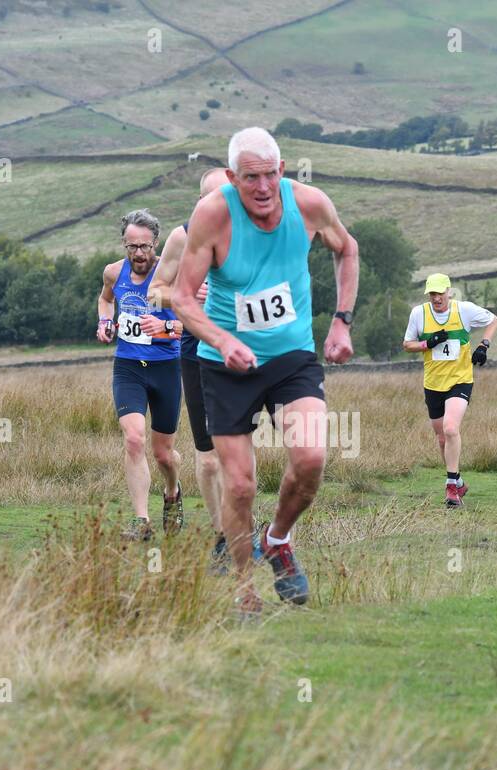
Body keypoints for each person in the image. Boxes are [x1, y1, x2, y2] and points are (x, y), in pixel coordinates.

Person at [170, 127, 358, 615]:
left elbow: (347, 249)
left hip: (291, 357)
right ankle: (242, 585)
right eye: (250, 177)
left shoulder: (310, 204)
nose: (262, 187)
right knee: (240, 485)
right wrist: (222, 339)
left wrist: (341, 321)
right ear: (233, 177)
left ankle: (277, 540)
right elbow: (182, 298)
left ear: (283, 170)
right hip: (225, 365)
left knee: (312, 457)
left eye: (271, 175)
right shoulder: (212, 215)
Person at [150, 167, 231, 566]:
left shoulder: (254, 234)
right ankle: (221, 536)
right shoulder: (183, 237)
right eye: (211, 200)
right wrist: (185, 298)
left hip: (244, 347)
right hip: (197, 349)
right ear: (200, 202)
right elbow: (155, 293)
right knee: (210, 453)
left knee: (242, 447)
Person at [97, 209, 184, 541]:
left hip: (166, 368)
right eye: (132, 246)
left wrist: (165, 327)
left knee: (164, 453)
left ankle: (173, 491)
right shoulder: (112, 273)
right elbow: (105, 301)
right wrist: (105, 322)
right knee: (134, 439)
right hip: (128, 366)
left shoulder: (171, 275)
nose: (138, 254)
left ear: (156, 243)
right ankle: (141, 520)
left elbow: (192, 321)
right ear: (124, 244)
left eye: (145, 246)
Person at [403, 273, 497, 508]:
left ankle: (450, 486)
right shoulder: (419, 314)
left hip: (460, 379)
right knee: (441, 438)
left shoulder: (463, 310)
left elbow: (493, 320)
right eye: (432, 294)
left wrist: (483, 345)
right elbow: (407, 345)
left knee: (450, 428)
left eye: (440, 293)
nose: (437, 298)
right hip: (433, 383)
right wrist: (428, 343)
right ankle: (458, 480)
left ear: (449, 291)